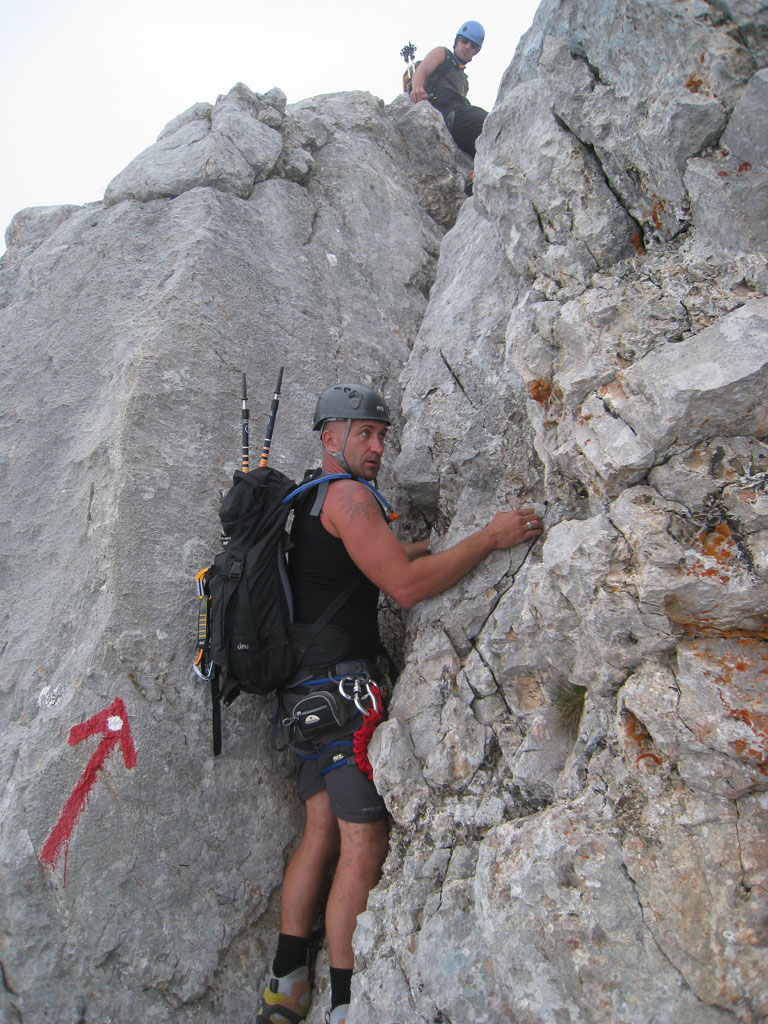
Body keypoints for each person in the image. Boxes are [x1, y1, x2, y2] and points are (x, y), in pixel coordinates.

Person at [257, 383, 543, 1024]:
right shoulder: (352, 499)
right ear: (330, 435)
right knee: (363, 842)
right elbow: (407, 589)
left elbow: (358, 567)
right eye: (365, 433)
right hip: (338, 693)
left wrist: (412, 550)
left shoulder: (307, 498)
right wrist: (489, 539)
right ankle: (349, 1005)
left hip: (299, 695)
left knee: (321, 830)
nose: (379, 447)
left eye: (382, 435)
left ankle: (284, 984)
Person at [409, 20, 488, 158]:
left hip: (456, 117)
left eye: (473, 45)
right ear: (457, 40)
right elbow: (422, 71)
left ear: (476, 51)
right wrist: (417, 89)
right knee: (486, 119)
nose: (467, 47)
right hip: (442, 110)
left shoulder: (464, 82)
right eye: (464, 41)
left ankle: (475, 171)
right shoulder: (442, 54)